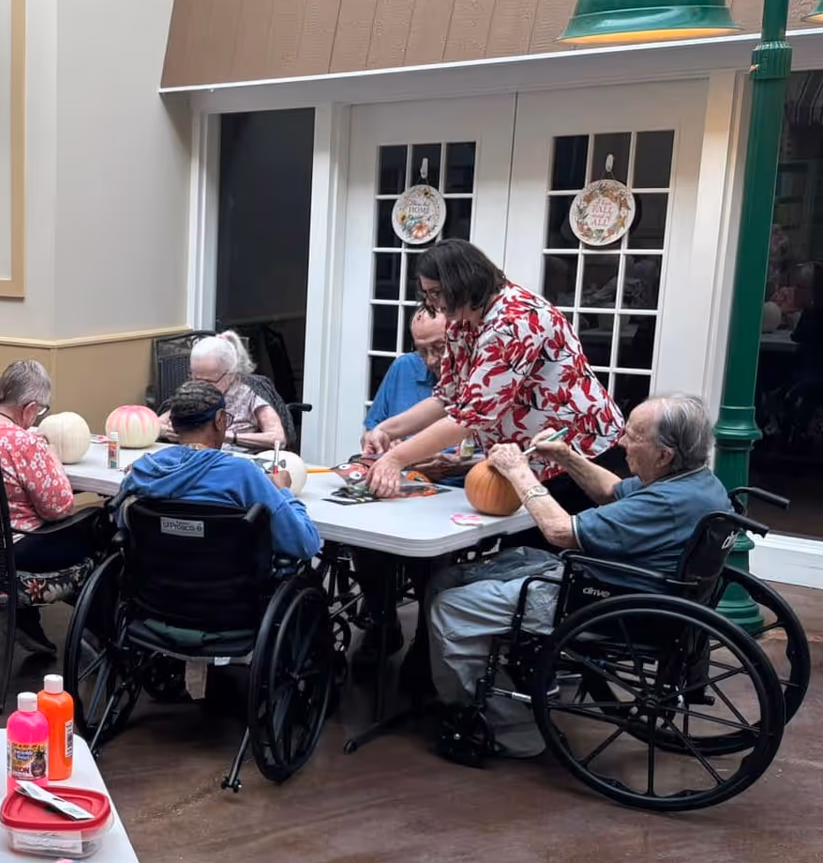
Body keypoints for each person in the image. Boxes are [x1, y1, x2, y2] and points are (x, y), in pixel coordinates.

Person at [426, 393, 730, 756]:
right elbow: (610, 491)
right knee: (448, 579)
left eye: (634, 436)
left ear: (664, 455)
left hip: (604, 600)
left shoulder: (663, 502)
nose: (621, 442)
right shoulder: (694, 482)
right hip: (625, 587)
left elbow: (558, 531)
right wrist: (567, 457)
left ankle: (509, 730)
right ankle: (481, 680)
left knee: (449, 606)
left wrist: (519, 473)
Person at [363, 240, 626, 510]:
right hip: (532, 461)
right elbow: (447, 398)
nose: (434, 304)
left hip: (583, 455)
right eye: (428, 294)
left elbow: (470, 417)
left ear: (463, 281)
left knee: (559, 545)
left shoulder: (515, 321)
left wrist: (396, 458)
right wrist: (386, 428)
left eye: (437, 292)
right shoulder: (462, 321)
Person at [0, 359, 101, 652]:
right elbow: (59, 508)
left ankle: (27, 622)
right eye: (39, 410)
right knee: (99, 523)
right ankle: (99, 627)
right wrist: (50, 455)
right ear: (29, 408)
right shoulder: (24, 443)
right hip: (12, 551)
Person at [118, 380, 320, 563]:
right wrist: (284, 491)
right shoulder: (242, 474)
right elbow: (304, 544)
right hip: (228, 596)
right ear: (219, 419)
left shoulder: (143, 470)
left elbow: (125, 529)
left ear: (174, 423)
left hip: (155, 593)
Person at [191, 332, 287, 450]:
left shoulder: (252, 392)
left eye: (209, 381)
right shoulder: (191, 390)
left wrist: (229, 437)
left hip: (235, 459)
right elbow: (162, 423)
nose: (201, 387)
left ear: (231, 374)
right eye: (196, 379)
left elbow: (278, 439)